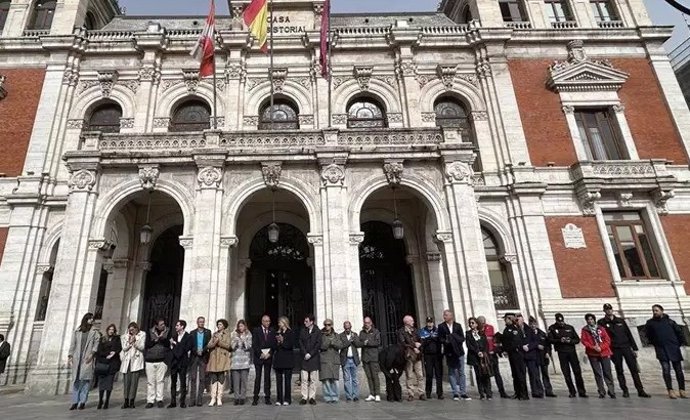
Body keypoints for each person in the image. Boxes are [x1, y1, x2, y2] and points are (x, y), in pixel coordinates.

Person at [598, 303, 650, 398]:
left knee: (633, 369)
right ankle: (625, 390)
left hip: (626, 347)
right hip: (614, 348)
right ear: (604, 311)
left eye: (610, 309)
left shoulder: (620, 321)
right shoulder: (602, 322)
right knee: (619, 370)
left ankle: (640, 390)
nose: (609, 310)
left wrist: (634, 348)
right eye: (607, 309)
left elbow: (629, 334)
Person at [645, 304, 687, 399]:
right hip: (661, 349)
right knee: (666, 370)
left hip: (673, 348)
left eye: (656, 310)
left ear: (662, 311)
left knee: (679, 371)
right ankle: (670, 390)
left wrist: (677, 344)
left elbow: (679, 333)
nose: (655, 312)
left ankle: (682, 390)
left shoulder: (670, 321)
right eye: (653, 311)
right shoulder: (650, 323)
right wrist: (656, 343)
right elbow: (648, 335)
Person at [548, 312, 587, 398]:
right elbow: (550, 340)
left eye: (562, 321)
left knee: (577, 372)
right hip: (562, 353)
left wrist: (570, 341)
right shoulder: (552, 328)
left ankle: (582, 391)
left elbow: (577, 339)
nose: (561, 323)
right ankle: (572, 391)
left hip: (571, 352)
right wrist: (560, 340)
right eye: (559, 322)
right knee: (566, 373)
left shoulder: (570, 327)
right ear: (556, 321)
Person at [67, 312, 100, 410]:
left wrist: (92, 354)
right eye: (90, 318)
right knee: (76, 380)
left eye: (92, 319)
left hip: (87, 358)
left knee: (85, 381)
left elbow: (96, 344)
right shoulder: (78, 331)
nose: (92, 320)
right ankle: (74, 401)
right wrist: (70, 355)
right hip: (77, 357)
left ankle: (82, 401)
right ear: (86, 319)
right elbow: (73, 344)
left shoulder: (95, 332)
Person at [581, 313, 616, 399]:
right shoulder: (585, 330)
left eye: (591, 319)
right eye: (588, 319)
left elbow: (607, 340)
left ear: (594, 320)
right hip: (592, 353)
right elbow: (584, 340)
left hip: (604, 352)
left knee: (607, 372)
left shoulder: (601, 328)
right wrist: (593, 347)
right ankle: (601, 391)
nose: (590, 321)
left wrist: (601, 347)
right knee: (597, 373)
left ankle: (611, 391)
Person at [438, 309, 469, 401]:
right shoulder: (441, 326)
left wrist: (453, 337)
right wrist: (447, 341)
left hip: (459, 352)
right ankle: (455, 392)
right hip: (449, 352)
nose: (444, 316)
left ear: (451, 316)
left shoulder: (458, 326)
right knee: (451, 372)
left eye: (446, 315)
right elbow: (440, 338)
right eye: (444, 315)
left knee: (461, 372)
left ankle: (463, 392)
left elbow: (462, 338)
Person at [477, 316, 508, 398]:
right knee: (486, 373)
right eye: (480, 323)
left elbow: (494, 340)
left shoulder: (490, 328)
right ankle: (488, 392)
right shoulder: (477, 331)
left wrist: (496, 348)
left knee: (497, 373)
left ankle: (502, 392)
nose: (482, 324)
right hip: (485, 355)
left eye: (483, 322)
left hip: (493, 354)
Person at [501, 313, 530, 401]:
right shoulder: (507, 329)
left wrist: (507, 347)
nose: (505, 320)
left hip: (517, 354)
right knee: (515, 374)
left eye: (506, 319)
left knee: (520, 374)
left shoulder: (515, 329)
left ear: (510, 319)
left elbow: (516, 342)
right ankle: (517, 392)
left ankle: (523, 394)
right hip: (512, 354)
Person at [397, 315, 425, 401]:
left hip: (417, 355)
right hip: (409, 356)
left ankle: (421, 393)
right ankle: (411, 393)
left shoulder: (415, 330)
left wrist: (419, 346)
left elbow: (421, 340)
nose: (413, 322)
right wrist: (414, 347)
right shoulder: (401, 331)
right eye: (411, 320)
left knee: (420, 375)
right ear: (407, 322)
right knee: (409, 375)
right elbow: (403, 343)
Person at [144, 318, 170, 409]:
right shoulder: (149, 332)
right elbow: (147, 344)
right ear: (156, 326)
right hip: (150, 359)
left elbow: (168, 344)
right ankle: (150, 400)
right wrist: (156, 340)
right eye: (161, 324)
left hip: (162, 359)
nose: (163, 326)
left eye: (163, 324)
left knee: (160, 381)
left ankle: (160, 399)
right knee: (150, 382)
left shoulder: (167, 331)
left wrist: (162, 338)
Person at [95, 324, 121, 410]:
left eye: (113, 329)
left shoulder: (117, 339)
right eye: (110, 329)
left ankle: (107, 401)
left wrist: (113, 353)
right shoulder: (102, 339)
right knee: (102, 384)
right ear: (107, 330)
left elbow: (118, 349)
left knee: (109, 384)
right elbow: (99, 351)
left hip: (112, 365)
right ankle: (100, 400)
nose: (111, 331)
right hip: (102, 364)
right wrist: (107, 354)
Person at [167, 319, 193, 408]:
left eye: (177, 325)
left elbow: (186, 348)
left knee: (183, 382)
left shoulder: (188, 336)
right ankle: (173, 401)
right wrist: (172, 345)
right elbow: (171, 349)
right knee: (173, 382)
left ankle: (182, 401)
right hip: (174, 362)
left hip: (183, 362)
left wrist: (175, 344)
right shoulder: (174, 336)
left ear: (182, 326)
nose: (176, 327)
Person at [528, 316, 556, 398]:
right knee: (536, 375)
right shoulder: (528, 334)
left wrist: (548, 353)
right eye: (531, 324)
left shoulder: (542, 333)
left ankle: (548, 390)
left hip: (543, 357)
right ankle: (539, 391)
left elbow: (548, 345)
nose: (533, 326)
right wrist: (536, 346)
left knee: (545, 374)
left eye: (534, 324)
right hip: (534, 357)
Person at [251, 315, 276, 405]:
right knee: (258, 377)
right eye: (265, 321)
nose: (267, 323)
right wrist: (260, 353)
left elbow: (274, 344)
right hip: (259, 357)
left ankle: (267, 397)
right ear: (262, 321)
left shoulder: (272, 331)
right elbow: (255, 343)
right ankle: (255, 397)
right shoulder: (256, 330)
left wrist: (270, 353)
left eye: (268, 321)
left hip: (268, 357)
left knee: (267, 378)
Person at [465, 317, 492, 400]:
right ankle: (481, 393)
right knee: (478, 375)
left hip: (483, 357)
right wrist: (477, 352)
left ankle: (488, 393)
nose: (471, 324)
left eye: (473, 323)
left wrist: (484, 352)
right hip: (475, 357)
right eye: (470, 323)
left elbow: (486, 344)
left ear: (476, 324)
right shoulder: (468, 333)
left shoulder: (481, 333)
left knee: (485, 374)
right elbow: (469, 345)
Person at [357, 316, 382, 402]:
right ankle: (372, 393)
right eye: (365, 323)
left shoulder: (376, 331)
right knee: (369, 377)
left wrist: (368, 343)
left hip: (373, 357)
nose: (366, 324)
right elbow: (359, 343)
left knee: (375, 376)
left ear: (371, 323)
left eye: (368, 323)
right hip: (365, 358)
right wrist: (363, 343)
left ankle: (377, 394)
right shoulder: (362, 332)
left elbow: (378, 342)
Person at [188, 316, 212, 407]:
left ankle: (199, 399)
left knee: (202, 378)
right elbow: (190, 345)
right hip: (194, 357)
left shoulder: (208, 332)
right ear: (197, 322)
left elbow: (209, 343)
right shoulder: (192, 333)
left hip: (203, 356)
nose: (201, 323)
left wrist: (203, 350)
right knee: (193, 378)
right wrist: (196, 351)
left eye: (203, 322)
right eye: (200, 322)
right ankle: (192, 400)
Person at [299, 314, 322, 405]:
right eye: (305, 321)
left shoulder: (317, 331)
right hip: (304, 358)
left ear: (312, 322)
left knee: (313, 379)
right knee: (304, 379)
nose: (305, 323)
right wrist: (305, 353)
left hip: (314, 358)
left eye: (307, 321)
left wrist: (311, 354)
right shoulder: (303, 330)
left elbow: (318, 344)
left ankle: (312, 397)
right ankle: (304, 397)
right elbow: (300, 342)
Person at [274, 316, 296, 406]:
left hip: (287, 359)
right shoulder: (277, 333)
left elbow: (290, 345)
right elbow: (274, 346)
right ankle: (279, 399)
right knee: (278, 381)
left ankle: (287, 399)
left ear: (284, 323)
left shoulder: (291, 332)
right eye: (279, 322)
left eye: (280, 322)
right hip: (279, 359)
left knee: (287, 381)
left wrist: (282, 341)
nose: (279, 324)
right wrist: (278, 342)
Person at [320, 319, 343, 403]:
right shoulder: (321, 335)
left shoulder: (336, 335)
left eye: (329, 324)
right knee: (325, 380)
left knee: (334, 380)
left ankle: (335, 397)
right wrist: (328, 342)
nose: (327, 326)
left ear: (332, 325)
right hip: (325, 360)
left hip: (334, 360)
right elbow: (321, 346)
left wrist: (333, 342)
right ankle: (328, 397)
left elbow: (340, 345)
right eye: (325, 324)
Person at [420, 316, 443, 400]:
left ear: (433, 323)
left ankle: (440, 393)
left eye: (431, 322)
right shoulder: (423, 331)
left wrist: (433, 339)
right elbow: (422, 342)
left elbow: (441, 340)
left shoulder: (437, 330)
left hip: (437, 355)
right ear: (426, 323)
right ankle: (428, 392)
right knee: (429, 374)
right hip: (428, 355)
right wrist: (430, 338)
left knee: (438, 375)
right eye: (428, 322)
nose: (429, 324)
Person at [230, 319, 252, 406]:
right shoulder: (233, 334)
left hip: (245, 361)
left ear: (245, 326)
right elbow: (231, 346)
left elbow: (249, 346)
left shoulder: (248, 334)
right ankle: (236, 397)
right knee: (236, 381)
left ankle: (242, 397)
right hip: (235, 361)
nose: (240, 328)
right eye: (239, 326)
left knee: (243, 381)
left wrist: (243, 340)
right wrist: (235, 341)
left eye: (242, 326)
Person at [339, 320, 360, 402]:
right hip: (345, 359)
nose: (347, 329)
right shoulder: (341, 336)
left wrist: (353, 339)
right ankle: (348, 396)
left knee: (355, 379)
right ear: (344, 328)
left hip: (354, 359)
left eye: (349, 328)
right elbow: (341, 346)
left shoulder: (355, 334)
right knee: (347, 379)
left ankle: (355, 395)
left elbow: (358, 344)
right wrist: (349, 341)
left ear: (351, 327)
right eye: (346, 328)